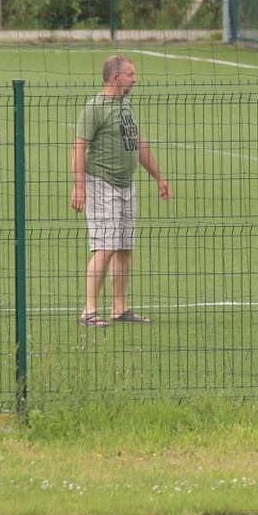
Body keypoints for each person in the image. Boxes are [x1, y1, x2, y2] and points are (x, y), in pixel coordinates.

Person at [70, 55, 170, 326]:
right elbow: (78, 148)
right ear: (116, 78)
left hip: (127, 185)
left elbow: (138, 143)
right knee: (105, 246)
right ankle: (89, 311)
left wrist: (159, 177)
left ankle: (120, 309)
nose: (135, 79)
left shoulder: (126, 105)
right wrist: (79, 187)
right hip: (101, 183)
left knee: (124, 247)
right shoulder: (95, 107)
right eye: (131, 74)